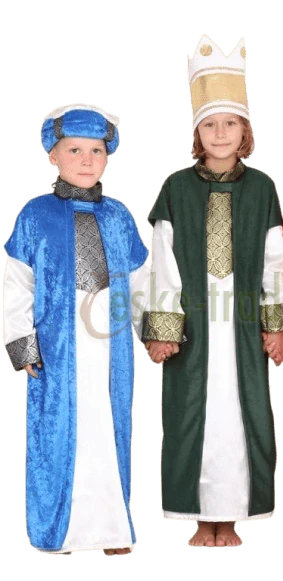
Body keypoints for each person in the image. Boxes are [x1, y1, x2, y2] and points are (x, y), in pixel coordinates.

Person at [143, 34, 283, 548]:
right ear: (197, 133)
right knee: (190, 414)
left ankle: (228, 518)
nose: (221, 133)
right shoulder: (176, 188)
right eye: (210, 124)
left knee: (239, 413)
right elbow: (163, 262)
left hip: (243, 324)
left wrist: (277, 325)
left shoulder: (262, 188)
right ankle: (198, 515)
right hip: (193, 323)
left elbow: (275, 262)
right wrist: (163, 327)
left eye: (231, 123)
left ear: (246, 131)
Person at [3, 104, 149, 556]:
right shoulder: (35, 215)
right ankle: (58, 531)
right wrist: (23, 343)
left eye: (95, 151)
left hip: (110, 347)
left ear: (108, 156)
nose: (86, 160)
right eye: (74, 150)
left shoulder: (119, 217)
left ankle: (111, 530)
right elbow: (18, 283)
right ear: (53, 155)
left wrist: (153, 330)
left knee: (109, 430)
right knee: (57, 435)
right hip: (57, 348)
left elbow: (141, 281)